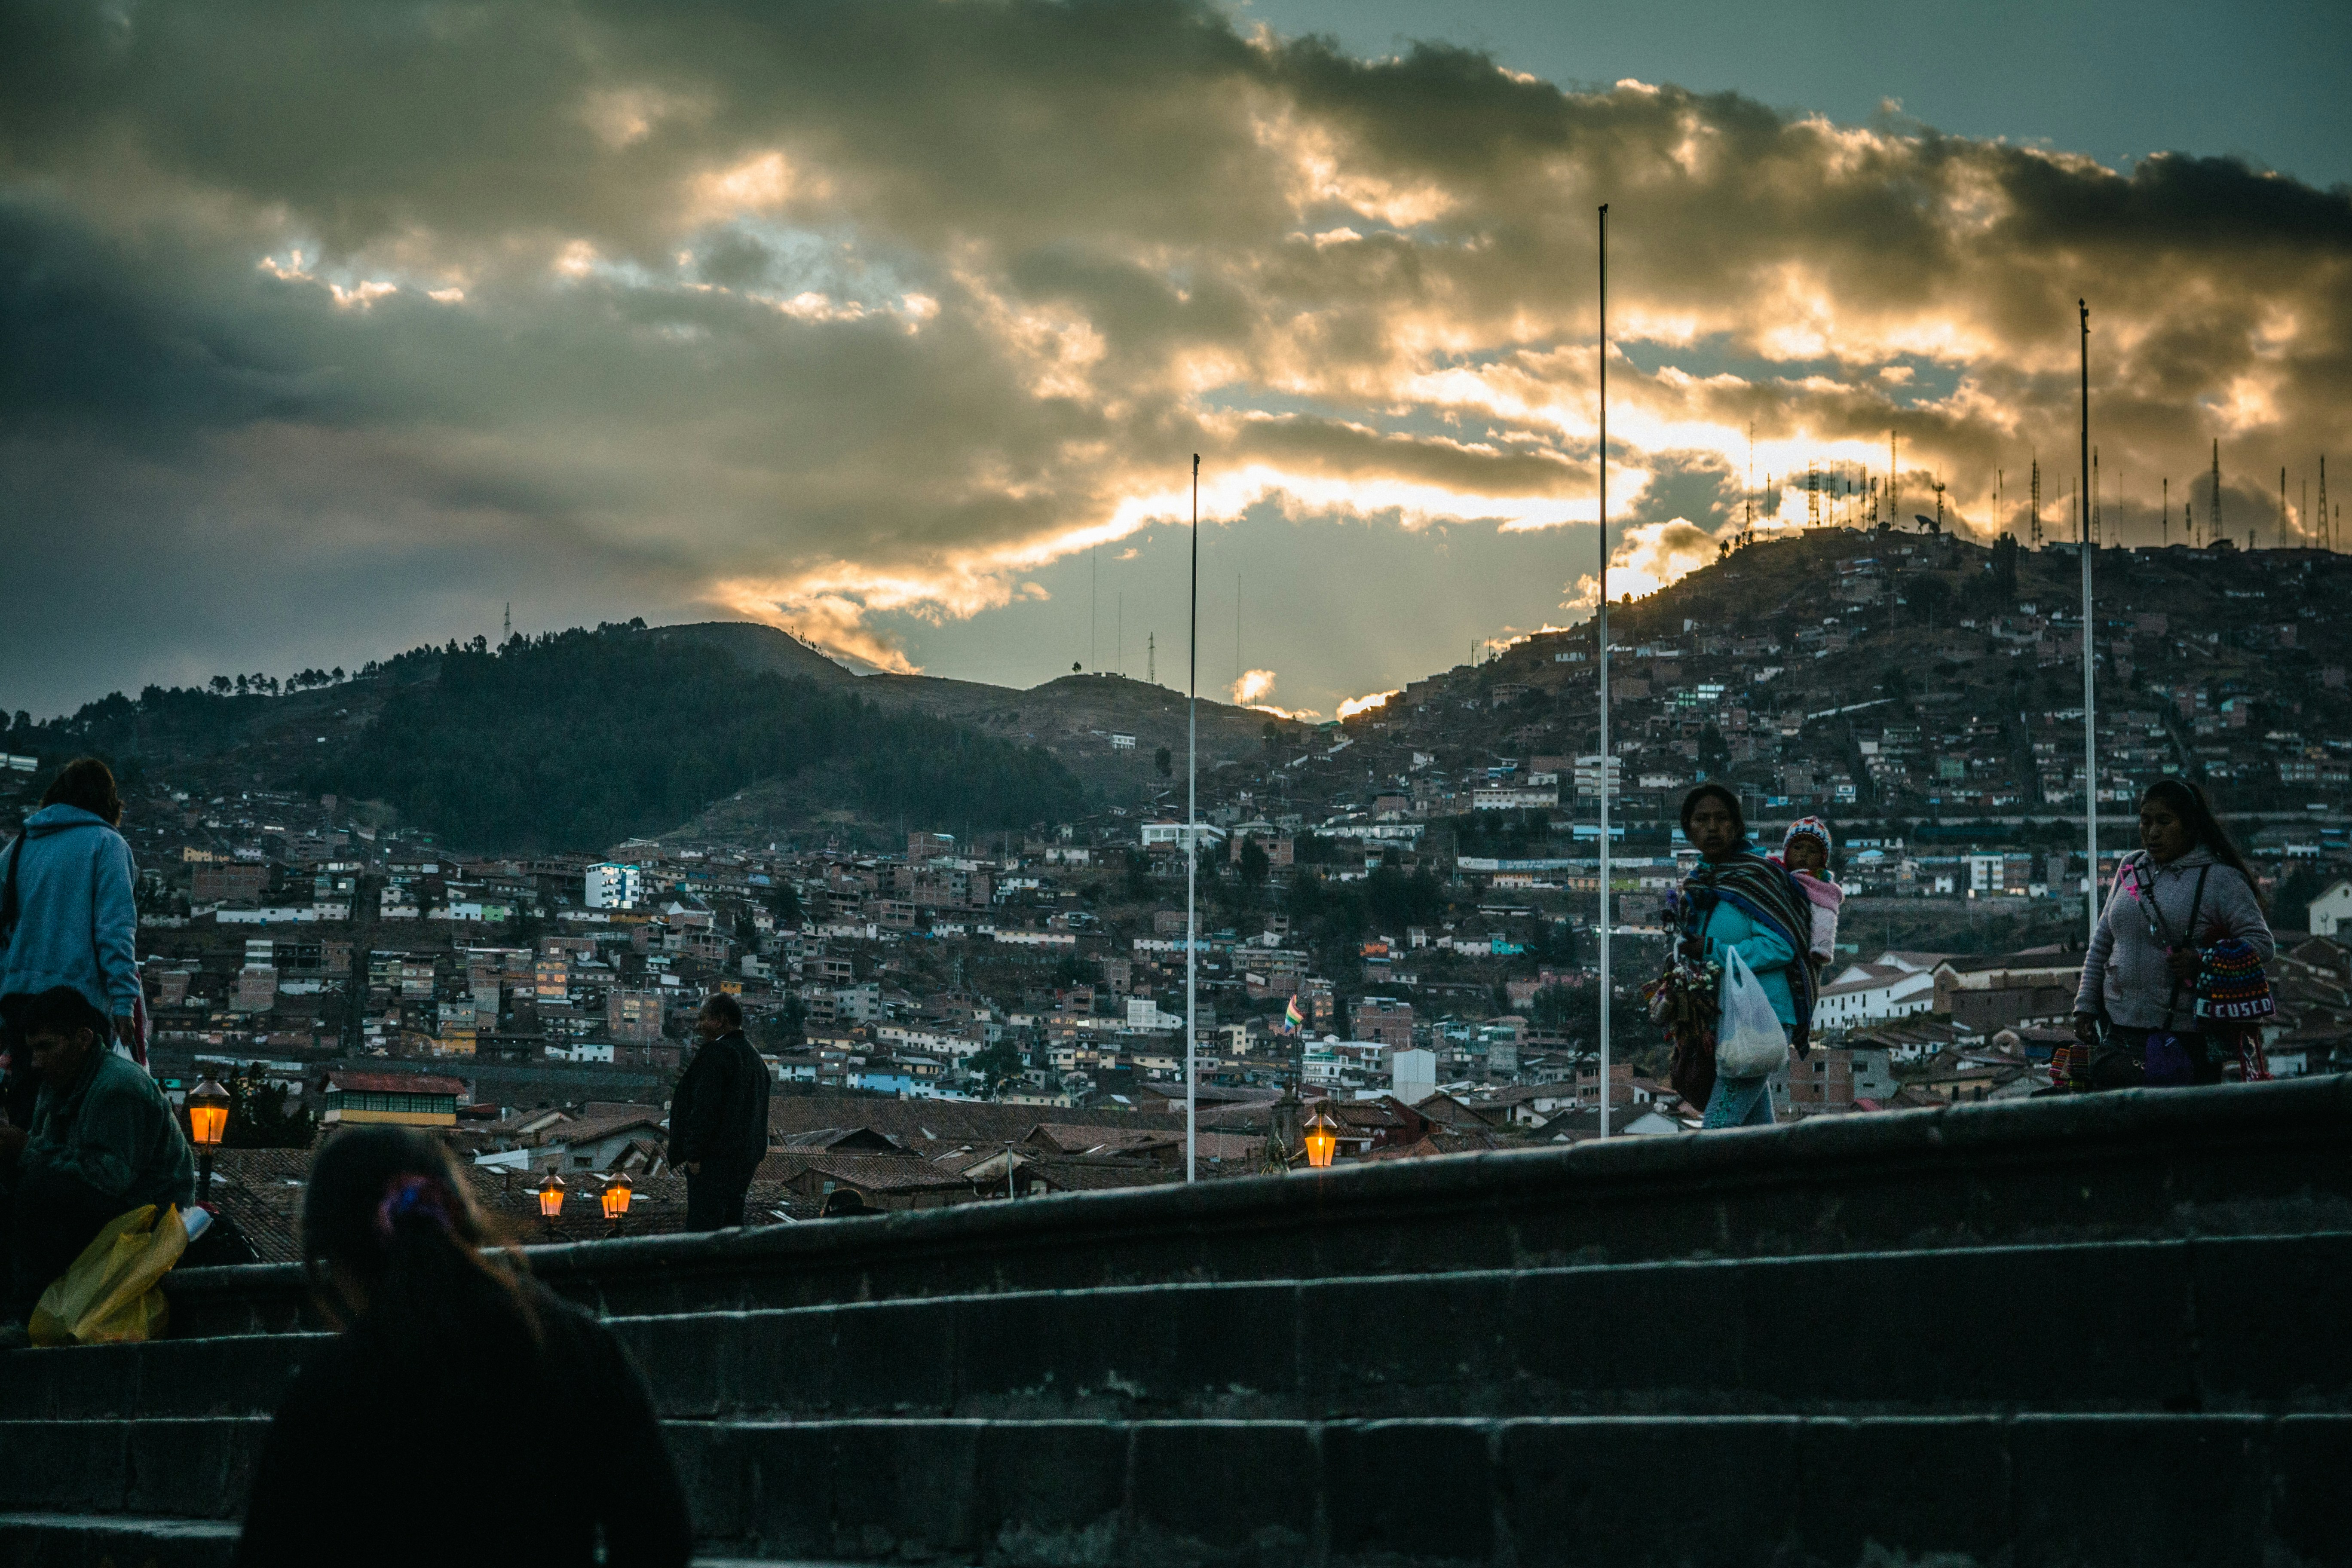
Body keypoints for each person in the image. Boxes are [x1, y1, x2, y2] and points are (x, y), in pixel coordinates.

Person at [234, 1126, 692, 1566]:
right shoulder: (582, 1350)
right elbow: (658, 1536)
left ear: (333, 1259)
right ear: (465, 1225)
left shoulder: (331, 1388)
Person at [0, 986, 193, 1346]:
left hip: (148, 1217)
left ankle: (25, 1317)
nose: (37, 1062)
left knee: (37, 1192)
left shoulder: (119, 1087)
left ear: (84, 1039)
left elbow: (108, 1178)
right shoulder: (57, 1085)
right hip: (99, 1204)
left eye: (46, 1047)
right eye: (32, 1050)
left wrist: (24, 1149)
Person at [2072, 779, 2273, 1088]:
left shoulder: (2221, 880)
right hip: (2119, 1033)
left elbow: (2261, 945)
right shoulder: (2131, 868)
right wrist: (2086, 1005)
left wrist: (2204, 961)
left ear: (2190, 825)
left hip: (2185, 1039)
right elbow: (2103, 942)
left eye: (2164, 822)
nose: (2152, 832)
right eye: (2145, 821)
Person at [1674, 785, 1818, 1129]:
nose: (1712, 827)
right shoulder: (1698, 887)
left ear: (1737, 827)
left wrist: (1712, 950)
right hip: (1726, 1020)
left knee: (1719, 1127)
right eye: (1702, 819)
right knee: (1756, 1133)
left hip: (1761, 1016)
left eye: (1722, 819)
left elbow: (1782, 946)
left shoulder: (1760, 877)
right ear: (1689, 829)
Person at [0, 758, 147, 1092]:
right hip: (78, 1007)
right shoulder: (108, 846)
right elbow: (116, 931)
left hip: (20, 1002)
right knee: (79, 1112)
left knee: (30, 1113)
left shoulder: (18, 849)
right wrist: (124, 1003)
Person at [666, 992, 770, 1231]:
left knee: (703, 1231)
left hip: (713, 1161)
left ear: (720, 1020)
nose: (699, 1026)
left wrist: (693, 1156)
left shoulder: (716, 1054)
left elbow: (704, 1108)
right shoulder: (756, 1060)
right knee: (732, 1227)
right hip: (744, 1162)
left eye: (703, 1019)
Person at [1776, 817, 1844, 969]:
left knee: (1824, 914)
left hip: (1800, 951)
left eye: (1812, 851)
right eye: (1798, 848)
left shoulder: (1821, 886)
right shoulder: (1776, 874)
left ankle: (1822, 947)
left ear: (1822, 860)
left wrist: (1822, 948)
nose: (1804, 855)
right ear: (1787, 852)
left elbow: (1826, 920)